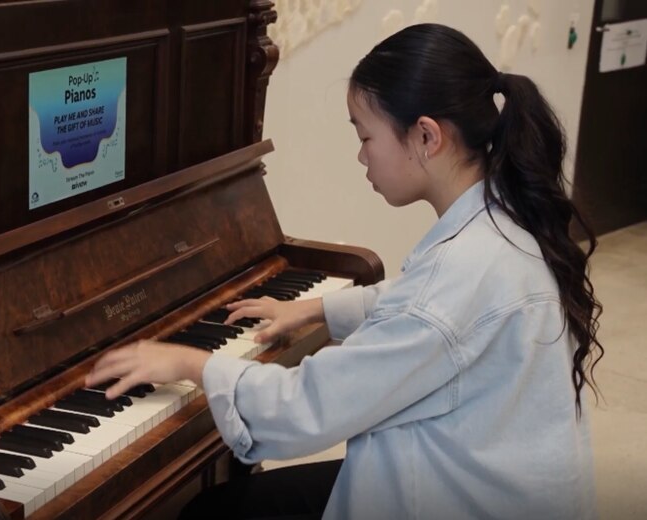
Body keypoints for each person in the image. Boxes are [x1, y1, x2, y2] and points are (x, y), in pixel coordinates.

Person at [85, 23, 603, 519]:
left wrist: (190, 363)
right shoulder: (502, 222)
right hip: (481, 481)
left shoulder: (453, 281)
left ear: (426, 136)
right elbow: (418, 306)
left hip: (457, 497)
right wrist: (312, 308)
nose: (360, 157)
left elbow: (305, 409)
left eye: (366, 136)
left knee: (211, 511)